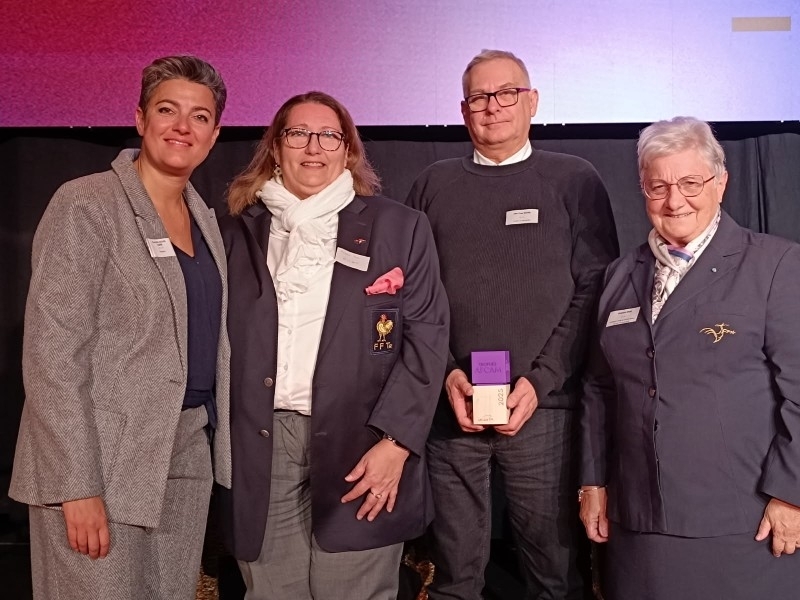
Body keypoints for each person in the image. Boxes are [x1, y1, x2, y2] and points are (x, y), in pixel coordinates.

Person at [9, 55, 231, 600]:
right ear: (139, 118)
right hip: (99, 459)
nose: (183, 126)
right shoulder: (87, 204)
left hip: (183, 451)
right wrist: (75, 485)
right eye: (167, 110)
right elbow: (52, 354)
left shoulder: (203, 216)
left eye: (199, 116)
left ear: (215, 133)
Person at [216, 91, 449, 600]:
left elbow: (427, 340)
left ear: (348, 150)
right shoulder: (234, 232)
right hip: (260, 444)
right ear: (276, 148)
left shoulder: (399, 227)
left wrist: (398, 443)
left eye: (329, 135)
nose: (313, 147)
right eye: (298, 134)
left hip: (364, 444)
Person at [406, 49, 618, 599]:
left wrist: (541, 381)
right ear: (462, 109)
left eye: (506, 94)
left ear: (532, 102)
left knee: (556, 577)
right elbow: (412, 296)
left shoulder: (574, 179)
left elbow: (596, 291)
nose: (493, 106)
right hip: (452, 411)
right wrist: (448, 375)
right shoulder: (433, 184)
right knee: (454, 576)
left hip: (544, 413)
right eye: (479, 97)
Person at [579, 116, 800, 599]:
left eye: (690, 183)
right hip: (638, 525)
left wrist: (792, 494)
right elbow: (599, 390)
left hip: (746, 521)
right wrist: (592, 481)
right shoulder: (618, 276)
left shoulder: (776, 266)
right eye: (658, 186)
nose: (674, 200)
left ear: (721, 183)